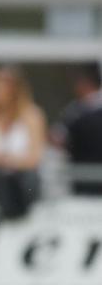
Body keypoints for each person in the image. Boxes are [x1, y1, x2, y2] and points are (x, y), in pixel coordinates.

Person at [0, 66, 46, 217]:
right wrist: (0, 160)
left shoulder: (32, 115)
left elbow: (35, 157)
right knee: (0, 181)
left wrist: (10, 161)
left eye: (3, 84)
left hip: (22, 183)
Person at [52, 64, 102, 195]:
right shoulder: (75, 110)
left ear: (84, 83)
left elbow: (57, 139)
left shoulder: (76, 112)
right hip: (82, 176)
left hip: (84, 177)